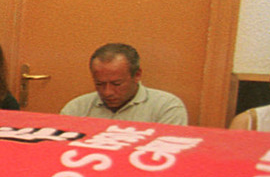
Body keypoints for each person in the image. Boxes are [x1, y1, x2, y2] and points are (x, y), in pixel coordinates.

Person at [60, 43, 188, 124]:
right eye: (100, 84)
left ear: (137, 75)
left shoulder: (166, 107)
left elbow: (169, 157)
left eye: (117, 84)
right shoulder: (77, 108)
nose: (107, 92)